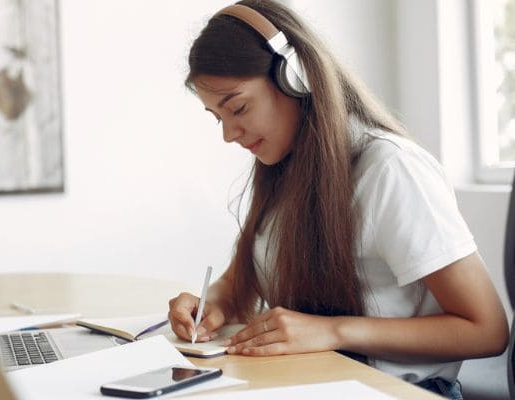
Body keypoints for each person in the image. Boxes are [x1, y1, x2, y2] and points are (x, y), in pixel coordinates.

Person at [167, 1, 509, 398]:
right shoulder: (283, 167)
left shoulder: (390, 170)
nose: (228, 135)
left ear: (295, 77)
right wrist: (213, 306)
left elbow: (486, 329)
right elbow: (240, 280)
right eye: (217, 118)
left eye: (238, 108)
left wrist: (333, 330)